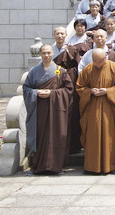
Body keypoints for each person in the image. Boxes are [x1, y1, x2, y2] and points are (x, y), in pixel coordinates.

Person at [23, 44, 73, 174]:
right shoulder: (34, 71)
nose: (46, 55)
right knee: (40, 135)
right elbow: (26, 89)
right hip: (39, 109)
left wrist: (52, 94)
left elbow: (68, 90)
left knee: (55, 136)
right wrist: (36, 93)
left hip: (55, 110)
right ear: (40, 54)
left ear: (53, 54)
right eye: (44, 53)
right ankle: (39, 166)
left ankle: (55, 166)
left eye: (49, 53)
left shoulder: (59, 70)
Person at [77, 49, 115, 174]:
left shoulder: (114, 67)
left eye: (100, 61)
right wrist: (90, 91)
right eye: (95, 61)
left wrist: (108, 91)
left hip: (109, 107)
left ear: (106, 58)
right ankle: (91, 166)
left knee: (109, 136)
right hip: (92, 107)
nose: (98, 64)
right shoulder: (88, 69)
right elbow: (80, 87)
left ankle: (110, 166)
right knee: (92, 135)